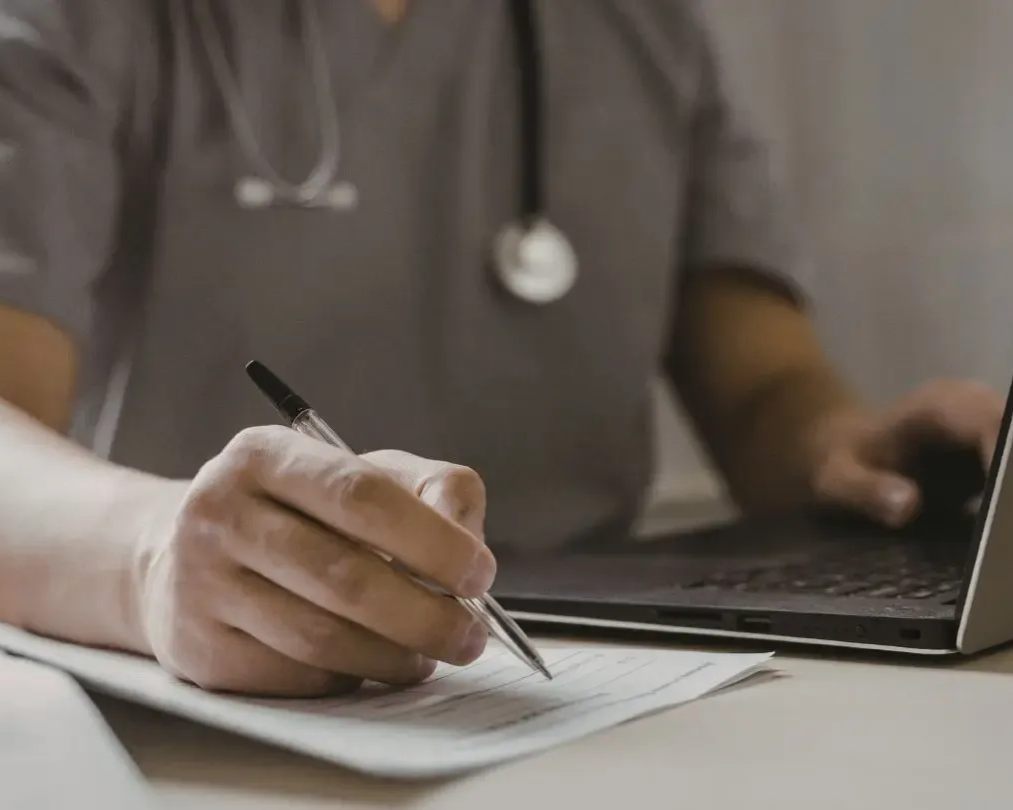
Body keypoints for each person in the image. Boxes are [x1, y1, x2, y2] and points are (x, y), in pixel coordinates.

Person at [0, 0, 1002, 697]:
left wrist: (850, 452)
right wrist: (151, 559)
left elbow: (764, 392)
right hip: (238, 694)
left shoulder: (642, 24)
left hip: (628, 684)